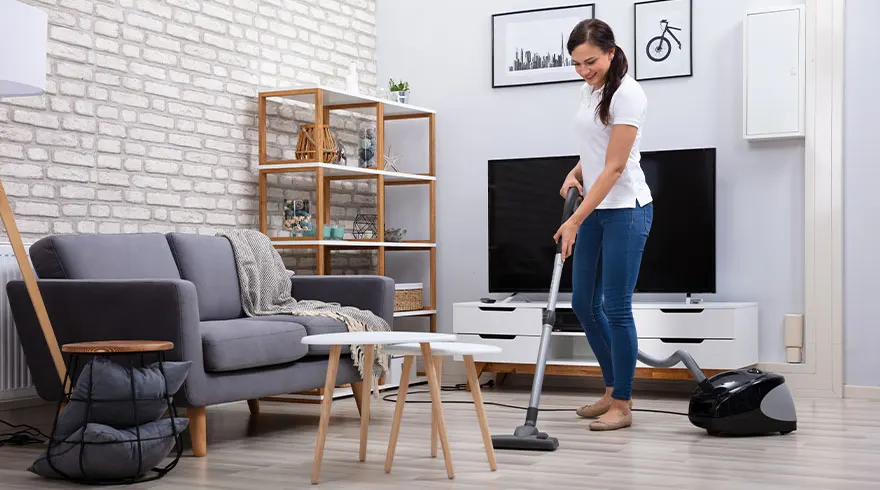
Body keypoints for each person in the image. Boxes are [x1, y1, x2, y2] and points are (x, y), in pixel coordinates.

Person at [553, 18, 653, 431]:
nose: (583, 70)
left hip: (626, 208)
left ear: (611, 52)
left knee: (615, 306)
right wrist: (575, 171)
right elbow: (596, 149)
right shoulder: (588, 89)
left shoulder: (629, 94)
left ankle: (624, 404)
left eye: (590, 61)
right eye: (576, 63)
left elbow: (614, 168)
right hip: (595, 206)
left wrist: (575, 219)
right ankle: (611, 390)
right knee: (582, 305)